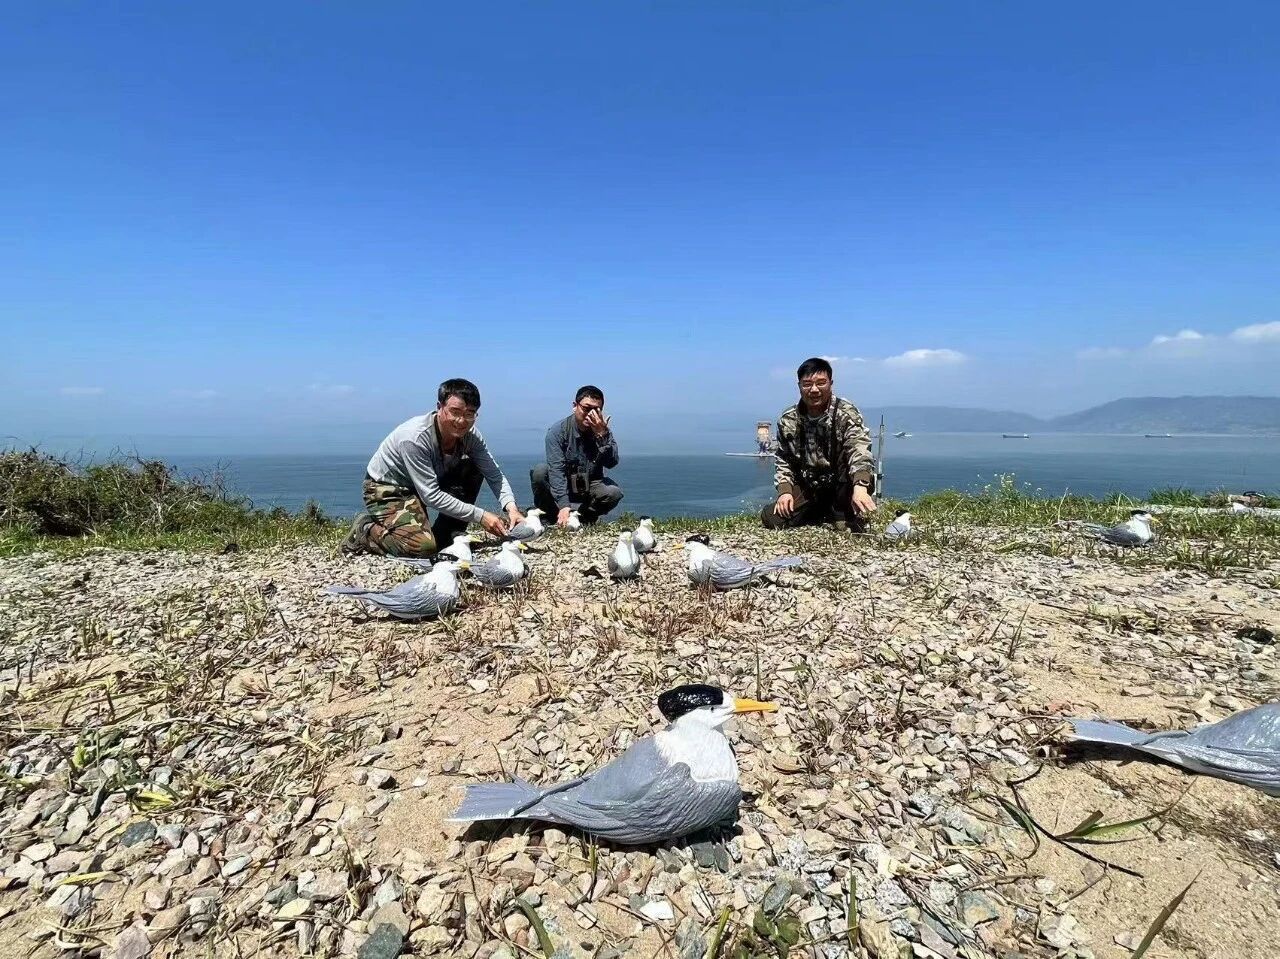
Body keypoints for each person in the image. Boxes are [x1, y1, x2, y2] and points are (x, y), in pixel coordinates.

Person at [342, 378, 525, 557]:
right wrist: (481, 516)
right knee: (422, 548)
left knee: (473, 468)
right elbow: (431, 496)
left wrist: (511, 508)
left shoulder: (471, 436)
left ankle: (448, 534)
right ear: (439, 407)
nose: (461, 421)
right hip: (389, 488)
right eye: (455, 412)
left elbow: (493, 472)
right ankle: (366, 530)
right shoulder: (414, 438)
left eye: (470, 414)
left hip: (428, 481)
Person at [762, 356, 877, 532]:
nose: (814, 389)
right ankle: (820, 510)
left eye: (821, 383)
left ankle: (840, 511)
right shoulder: (788, 419)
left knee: (847, 525)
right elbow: (784, 458)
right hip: (810, 484)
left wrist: (860, 487)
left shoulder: (845, 412)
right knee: (773, 519)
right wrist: (785, 491)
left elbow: (859, 449)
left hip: (842, 481)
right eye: (807, 384)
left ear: (831, 383)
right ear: (799, 386)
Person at [531, 385, 624, 526]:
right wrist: (563, 505)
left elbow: (612, 462)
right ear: (575, 406)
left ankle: (585, 518)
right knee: (540, 472)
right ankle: (550, 515)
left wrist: (602, 437)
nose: (591, 415)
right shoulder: (557, 432)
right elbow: (557, 470)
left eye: (596, 410)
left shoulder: (604, 431)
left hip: (591, 482)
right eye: (587, 409)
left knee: (613, 493)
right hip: (565, 482)